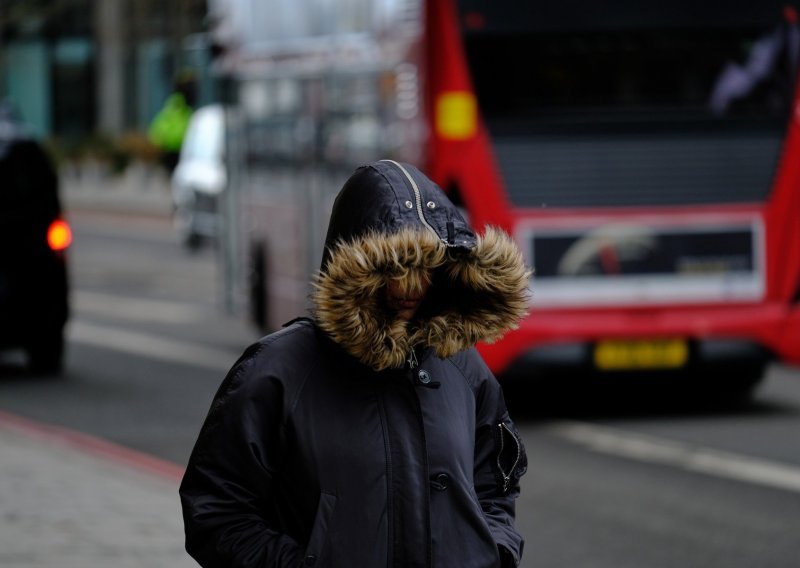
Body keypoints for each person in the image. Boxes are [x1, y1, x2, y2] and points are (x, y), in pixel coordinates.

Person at [179, 159, 531, 567]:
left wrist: (493, 554)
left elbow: (496, 488)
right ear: (352, 270)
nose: (408, 289)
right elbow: (216, 512)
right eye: (393, 269)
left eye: (426, 268)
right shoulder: (278, 371)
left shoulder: (465, 371)